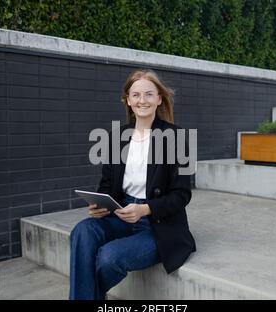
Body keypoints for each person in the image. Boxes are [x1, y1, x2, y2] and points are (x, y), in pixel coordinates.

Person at [69, 69, 196, 300]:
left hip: (157, 224)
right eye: (136, 95)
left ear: (159, 99)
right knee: (82, 231)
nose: (142, 100)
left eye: (149, 94)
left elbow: (182, 194)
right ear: (128, 99)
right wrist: (99, 204)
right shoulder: (115, 137)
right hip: (121, 214)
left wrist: (145, 209)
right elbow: (107, 185)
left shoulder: (178, 138)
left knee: (109, 257)